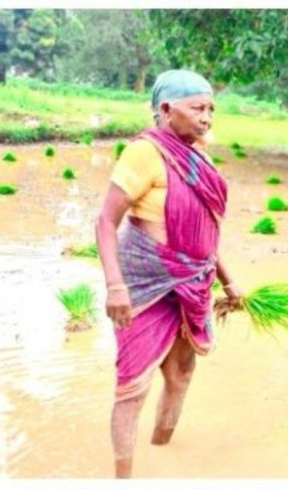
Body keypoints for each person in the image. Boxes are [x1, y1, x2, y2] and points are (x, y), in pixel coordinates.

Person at [95, 69, 243, 478]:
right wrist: (115, 286)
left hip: (193, 284)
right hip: (144, 287)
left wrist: (228, 279)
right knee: (132, 387)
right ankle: (122, 478)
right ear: (165, 109)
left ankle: (163, 451)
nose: (207, 117)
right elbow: (105, 222)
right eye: (197, 108)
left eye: (211, 108)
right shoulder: (144, 153)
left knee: (180, 374)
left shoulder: (200, 156)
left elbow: (207, 230)